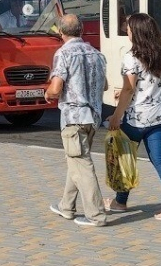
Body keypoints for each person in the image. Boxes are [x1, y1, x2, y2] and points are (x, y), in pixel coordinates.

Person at [106, 13, 161, 222]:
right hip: (159, 116)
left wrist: (116, 116)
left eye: (130, 28)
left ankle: (120, 201)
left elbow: (129, 89)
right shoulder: (159, 52)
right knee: (160, 161)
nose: (127, 31)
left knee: (125, 158)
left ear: (137, 31)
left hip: (136, 118)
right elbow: (147, 82)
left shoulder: (131, 56)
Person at [44, 14, 107, 227]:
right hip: (93, 118)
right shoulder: (96, 54)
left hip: (73, 117)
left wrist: (48, 94)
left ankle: (95, 215)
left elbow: (56, 87)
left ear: (61, 32)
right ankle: (66, 206)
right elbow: (104, 85)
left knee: (82, 165)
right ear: (81, 30)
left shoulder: (64, 53)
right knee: (77, 162)